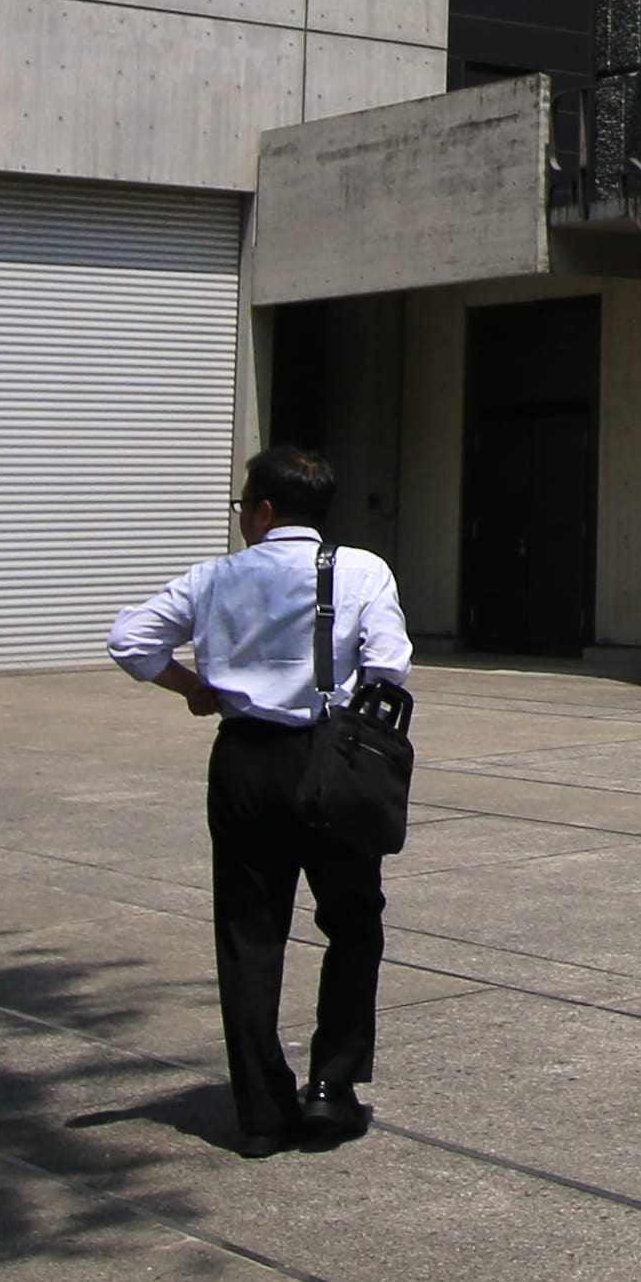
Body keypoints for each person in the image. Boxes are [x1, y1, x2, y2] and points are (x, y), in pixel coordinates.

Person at [111, 443, 414, 1156]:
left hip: (244, 761)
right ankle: (331, 1091)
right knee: (352, 921)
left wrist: (194, 689)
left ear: (264, 511)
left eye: (243, 506)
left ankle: (261, 1108)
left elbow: (129, 639)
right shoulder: (361, 569)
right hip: (330, 760)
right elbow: (390, 663)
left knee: (250, 935)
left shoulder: (214, 578)